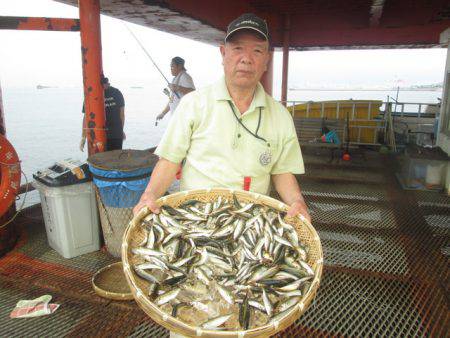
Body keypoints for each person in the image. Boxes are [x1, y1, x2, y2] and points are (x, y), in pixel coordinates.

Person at [134, 13, 310, 222]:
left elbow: (282, 172)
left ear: (266, 61)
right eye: (237, 49)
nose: (246, 58)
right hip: (196, 220)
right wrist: (150, 195)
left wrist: (297, 201)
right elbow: (170, 160)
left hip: (252, 223)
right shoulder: (194, 104)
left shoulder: (280, 116)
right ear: (223, 53)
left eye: (257, 50)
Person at [80, 76, 125, 152]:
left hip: (115, 134)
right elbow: (86, 117)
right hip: (98, 135)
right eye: (102, 85)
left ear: (108, 83)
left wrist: (121, 130)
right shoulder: (90, 95)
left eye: (106, 84)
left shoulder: (116, 93)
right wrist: (83, 137)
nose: (104, 87)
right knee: (101, 159)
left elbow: (122, 115)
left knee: (116, 159)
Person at [156, 57, 195, 121]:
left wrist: (177, 88)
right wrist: (163, 113)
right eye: (170, 67)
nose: (171, 69)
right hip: (176, 118)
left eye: (172, 67)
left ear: (179, 66)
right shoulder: (175, 78)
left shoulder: (185, 77)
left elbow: (193, 92)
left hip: (183, 118)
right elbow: (172, 100)